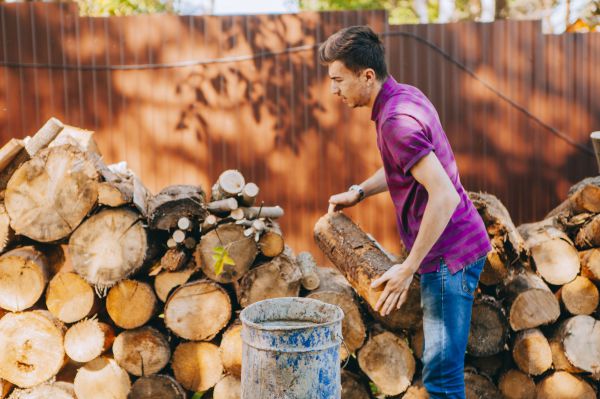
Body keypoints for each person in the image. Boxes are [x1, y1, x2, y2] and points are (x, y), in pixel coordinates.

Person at [320, 26, 492, 399]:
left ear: (367, 76)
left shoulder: (396, 121)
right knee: (442, 375)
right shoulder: (403, 98)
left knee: (443, 381)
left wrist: (408, 267)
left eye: (338, 80)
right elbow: (405, 167)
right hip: (453, 248)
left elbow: (442, 195)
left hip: (449, 256)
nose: (333, 90)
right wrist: (359, 192)